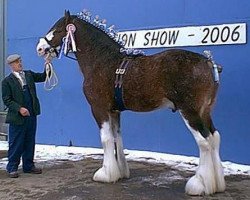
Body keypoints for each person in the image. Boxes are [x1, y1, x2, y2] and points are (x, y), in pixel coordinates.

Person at [2, 54, 47, 178]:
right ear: (11, 65)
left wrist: (47, 65)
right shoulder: (7, 81)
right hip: (17, 117)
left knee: (29, 141)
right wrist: (19, 108)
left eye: (20, 61)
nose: (20, 63)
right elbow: (7, 100)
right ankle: (12, 167)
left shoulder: (29, 75)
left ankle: (28, 166)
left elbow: (43, 77)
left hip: (31, 113)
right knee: (16, 142)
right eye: (16, 62)